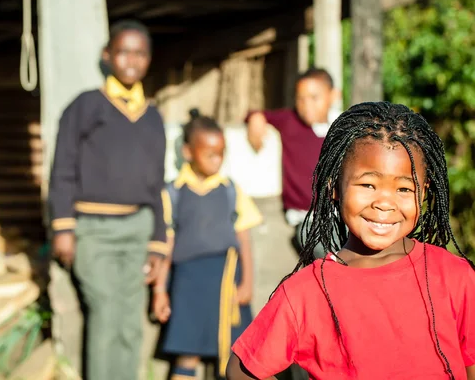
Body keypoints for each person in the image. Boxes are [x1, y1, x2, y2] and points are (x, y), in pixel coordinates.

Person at [226, 102, 475, 380]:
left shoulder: (454, 276)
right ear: (334, 187)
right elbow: (241, 368)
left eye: (404, 188)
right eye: (368, 185)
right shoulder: (307, 291)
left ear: (424, 194)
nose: (384, 203)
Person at [48, 19, 167, 380]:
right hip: (94, 230)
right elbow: (62, 168)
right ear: (107, 56)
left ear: (148, 59)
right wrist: (63, 227)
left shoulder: (152, 117)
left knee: (130, 320)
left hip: (137, 228)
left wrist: (159, 241)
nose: (132, 60)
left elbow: (156, 183)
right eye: (124, 51)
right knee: (105, 313)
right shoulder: (85, 106)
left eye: (140, 52)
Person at [152, 111, 263, 380]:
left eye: (221, 153)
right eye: (210, 153)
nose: (217, 160)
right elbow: (166, 245)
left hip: (226, 281)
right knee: (187, 351)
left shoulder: (230, 190)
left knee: (232, 353)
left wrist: (247, 283)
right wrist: (159, 291)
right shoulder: (174, 193)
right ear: (188, 152)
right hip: (187, 283)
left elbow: (244, 240)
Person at [246, 68, 341, 258]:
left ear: (334, 95)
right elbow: (258, 114)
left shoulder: (341, 126)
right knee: (326, 249)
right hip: (307, 217)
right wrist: (255, 119)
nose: (306, 105)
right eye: (301, 98)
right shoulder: (290, 121)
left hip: (340, 214)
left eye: (314, 98)